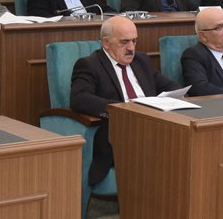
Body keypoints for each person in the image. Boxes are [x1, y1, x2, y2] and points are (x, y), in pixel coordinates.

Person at [69, 15, 180, 185]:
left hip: (155, 124)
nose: (131, 48)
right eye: (124, 42)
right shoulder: (90, 64)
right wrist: (124, 109)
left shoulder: (141, 61)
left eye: (134, 41)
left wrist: (175, 96)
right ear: (106, 43)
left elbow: (169, 85)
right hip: (122, 131)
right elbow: (80, 99)